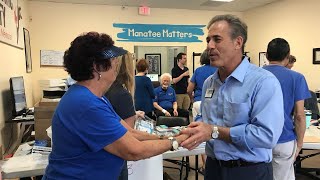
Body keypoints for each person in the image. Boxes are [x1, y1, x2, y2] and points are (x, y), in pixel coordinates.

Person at [42, 32, 189, 180]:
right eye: (112, 58)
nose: (116, 62)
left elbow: (129, 133)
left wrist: (163, 137)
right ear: (97, 67)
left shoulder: (96, 98)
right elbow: (134, 151)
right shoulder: (86, 104)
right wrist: (176, 141)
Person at [180, 14, 285, 180]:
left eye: (217, 39)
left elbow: (266, 136)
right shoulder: (209, 83)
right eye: (208, 40)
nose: (209, 46)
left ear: (238, 42)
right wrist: (195, 129)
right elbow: (206, 119)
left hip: (249, 171)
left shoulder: (263, 82)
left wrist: (214, 132)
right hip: (214, 168)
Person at [263, 38, 311, 180]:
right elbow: (299, 115)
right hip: (284, 139)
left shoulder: (253, 75)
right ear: (288, 56)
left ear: (266, 55)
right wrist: (300, 143)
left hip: (258, 138)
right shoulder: (296, 78)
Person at [187, 49, 217, 172]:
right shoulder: (218, 70)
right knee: (214, 132)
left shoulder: (198, 71)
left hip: (199, 102)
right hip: (214, 104)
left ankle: (205, 165)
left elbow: (189, 89)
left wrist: (192, 99)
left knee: (199, 133)